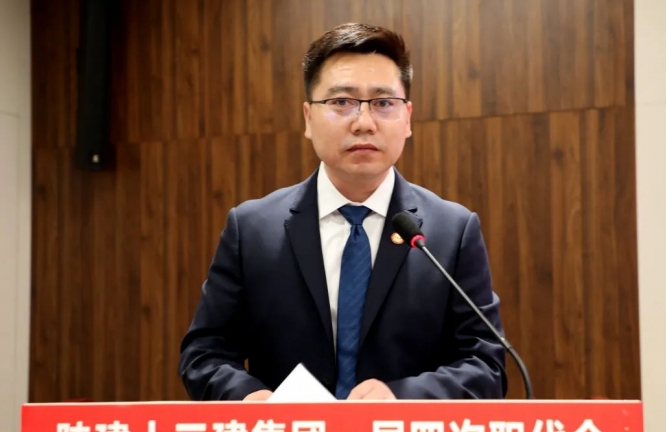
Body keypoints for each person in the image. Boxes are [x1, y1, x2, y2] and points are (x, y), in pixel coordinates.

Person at [179, 22, 508, 401]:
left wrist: (402, 399)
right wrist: (249, 397)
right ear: (308, 118)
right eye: (341, 103)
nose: (363, 123)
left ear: (407, 118)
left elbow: (487, 365)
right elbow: (204, 353)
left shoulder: (451, 231)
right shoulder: (253, 229)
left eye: (383, 103)